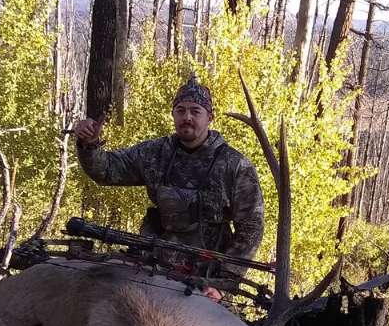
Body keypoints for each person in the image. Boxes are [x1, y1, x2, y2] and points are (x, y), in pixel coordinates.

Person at [74, 74, 265, 301]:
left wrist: (222, 284)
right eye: (181, 110)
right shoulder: (156, 153)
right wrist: (89, 144)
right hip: (153, 270)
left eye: (195, 111)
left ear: (210, 117)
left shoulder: (234, 165)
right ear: (173, 114)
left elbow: (251, 227)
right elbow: (106, 170)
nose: (187, 117)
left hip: (206, 282)